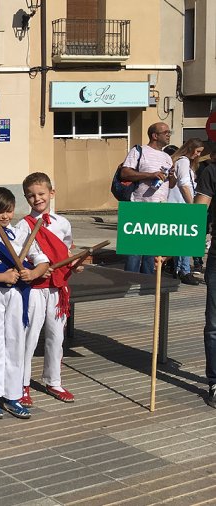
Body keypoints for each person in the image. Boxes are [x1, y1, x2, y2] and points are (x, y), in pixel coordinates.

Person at [0, 187, 48, 420]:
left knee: (15, 342)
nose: (5, 216)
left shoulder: (20, 234)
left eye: (8, 211)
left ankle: (13, 395)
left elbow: (42, 261)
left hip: (17, 293)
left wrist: (33, 274)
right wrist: (1, 277)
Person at [16, 172, 83, 407]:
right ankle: (21, 383)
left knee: (56, 336)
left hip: (58, 287)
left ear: (51, 193)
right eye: (31, 196)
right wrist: (33, 269)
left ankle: (53, 380)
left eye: (41, 194)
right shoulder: (23, 226)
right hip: (35, 288)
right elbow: (17, 257)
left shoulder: (63, 223)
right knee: (30, 336)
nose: (37, 199)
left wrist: (75, 264)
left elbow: (65, 252)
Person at [120, 122, 176, 274]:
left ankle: (147, 282)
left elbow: (171, 185)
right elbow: (124, 173)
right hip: (139, 205)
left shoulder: (167, 157)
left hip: (159, 207)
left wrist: (171, 177)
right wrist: (150, 175)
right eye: (165, 132)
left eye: (169, 132)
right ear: (155, 135)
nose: (168, 134)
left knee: (151, 250)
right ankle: (128, 281)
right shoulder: (139, 151)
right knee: (135, 250)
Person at [194, 156, 216, 408]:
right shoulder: (211, 171)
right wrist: (176, 247)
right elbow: (198, 213)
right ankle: (214, 382)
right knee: (214, 324)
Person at [168, 138, 205, 285]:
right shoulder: (183, 161)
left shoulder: (180, 161)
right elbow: (184, 184)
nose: (197, 155)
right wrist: (192, 206)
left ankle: (179, 269)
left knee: (180, 240)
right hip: (182, 205)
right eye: (197, 151)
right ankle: (184, 271)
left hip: (177, 204)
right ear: (190, 148)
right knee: (185, 239)